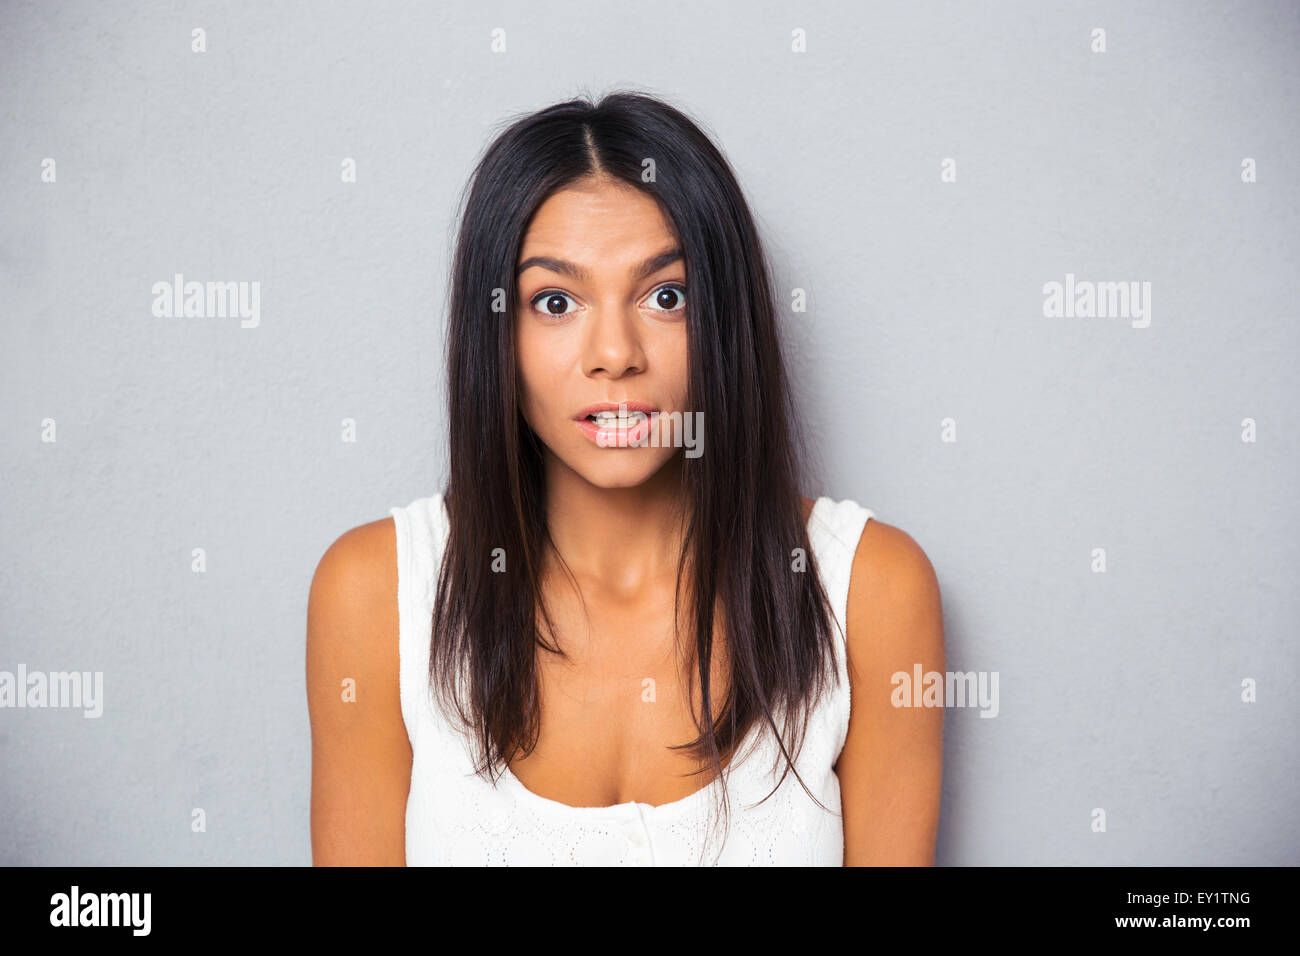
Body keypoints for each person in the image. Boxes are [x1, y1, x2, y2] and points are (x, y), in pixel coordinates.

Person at [307, 91, 944, 866]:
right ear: (496, 330)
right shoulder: (374, 593)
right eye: (555, 301)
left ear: (726, 321)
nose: (614, 352)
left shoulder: (870, 590)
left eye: (666, 296)